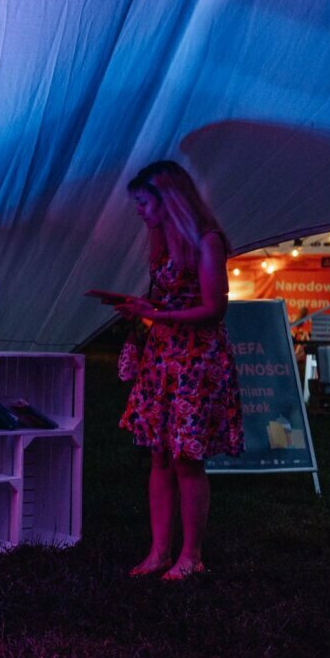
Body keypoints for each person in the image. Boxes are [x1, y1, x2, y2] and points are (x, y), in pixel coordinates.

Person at [114, 160, 244, 581]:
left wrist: (159, 313)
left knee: (187, 458)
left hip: (194, 359)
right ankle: (159, 552)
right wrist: (143, 310)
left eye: (143, 202)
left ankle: (191, 555)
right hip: (163, 355)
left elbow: (213, 307)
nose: (140, 212)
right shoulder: (163, 243)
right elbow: (169, 301)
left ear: (168, 199)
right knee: (159, 456)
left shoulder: (206, 241)